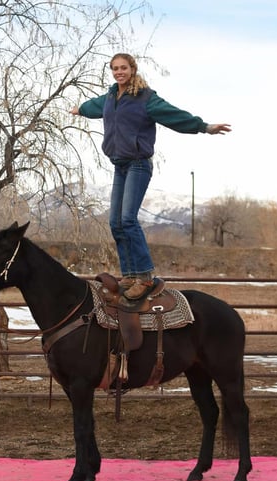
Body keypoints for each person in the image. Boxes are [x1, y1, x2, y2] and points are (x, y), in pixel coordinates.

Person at [71, 52, 232, 300]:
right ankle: (129, 275)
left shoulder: (145, 98)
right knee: (115, 222)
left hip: (138, 164)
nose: (119, 72)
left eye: (123, 68)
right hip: (119, 165)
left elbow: (174, 115)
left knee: (128, 219)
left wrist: (204, 127)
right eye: (115, 68)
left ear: (132, 69)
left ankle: (145, 277)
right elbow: (93, 106)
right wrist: (80, 109)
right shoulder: (111, 97)